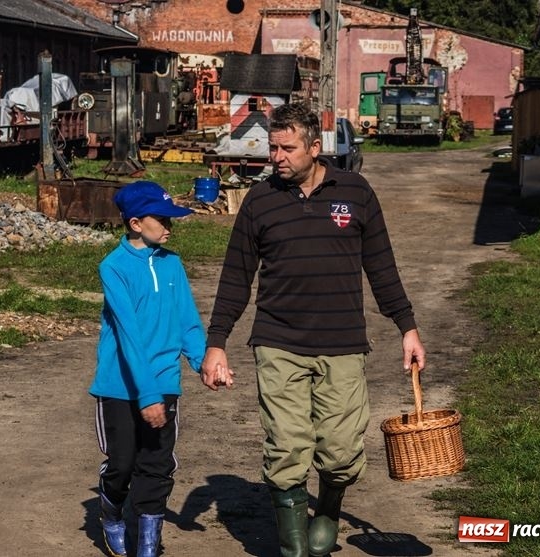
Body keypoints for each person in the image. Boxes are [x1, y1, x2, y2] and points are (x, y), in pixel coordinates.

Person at [200, 102, 426, 557]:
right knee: (286, 448)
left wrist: (407, 326)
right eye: (272, 147)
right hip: (278, 342)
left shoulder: (356, 193)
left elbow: (381, 266)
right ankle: (294, 547)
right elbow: (235, 276)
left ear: (315, 148)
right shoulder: (260, 201)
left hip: (342, 344)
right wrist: (217, 343)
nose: (276, 157)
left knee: (341, 452)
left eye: (287, 148)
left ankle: (327, 510)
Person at [89, 180, 207, 557]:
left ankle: (148, 545)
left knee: (156, 465)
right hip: (120, 387)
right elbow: (128, 336)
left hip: (164, 380)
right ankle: (110, 511)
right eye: (164, 219)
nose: (171, 226)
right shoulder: (114, 267)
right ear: (137, 223)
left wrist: (204, 362)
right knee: (123, 464)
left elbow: (187, 319)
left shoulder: (173, 264)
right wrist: (147, 396)